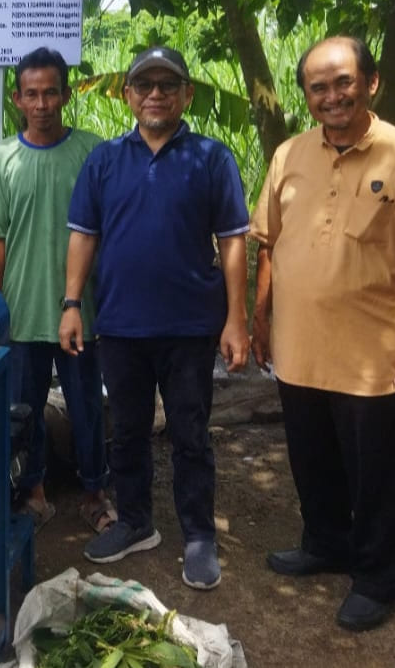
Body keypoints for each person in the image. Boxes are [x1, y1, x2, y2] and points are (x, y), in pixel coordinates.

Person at [249, 36, 395, 631]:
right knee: (311, 458)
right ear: (308, 96)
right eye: (318, 87)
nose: (331, 96)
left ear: (370, 83)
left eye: (343, 82)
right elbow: (268, 241)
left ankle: (377, 576)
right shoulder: (289, 155)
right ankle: (325, 543)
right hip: (299, 349)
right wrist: (261, 315)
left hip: (377, 358)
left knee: (378, 472)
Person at [59, 46, 250, 590]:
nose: (156, 95)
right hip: (120, 324)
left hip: (190, 326)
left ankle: (198, 535)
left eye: (169, 85)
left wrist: (236, 318)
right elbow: (83, 235)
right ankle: (137, 522)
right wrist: (72, 305)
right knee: (129, 433)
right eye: (145, 85)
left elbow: (233, 241)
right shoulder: (104, 161)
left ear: (187, 95)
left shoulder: (211, 158)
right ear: (128, 97)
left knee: (191, 432)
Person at [0, 47, 112, 535]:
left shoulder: (94, 152)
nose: (41, 103)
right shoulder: (4, 158)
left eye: (50, 92)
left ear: (65, 95)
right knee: (23, 410)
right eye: (31, 94)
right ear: (17, 99)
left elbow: (108, 232)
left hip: (82, 313)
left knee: (87, 409)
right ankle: (32, 489)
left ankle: (95, 491)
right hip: (22, 312)